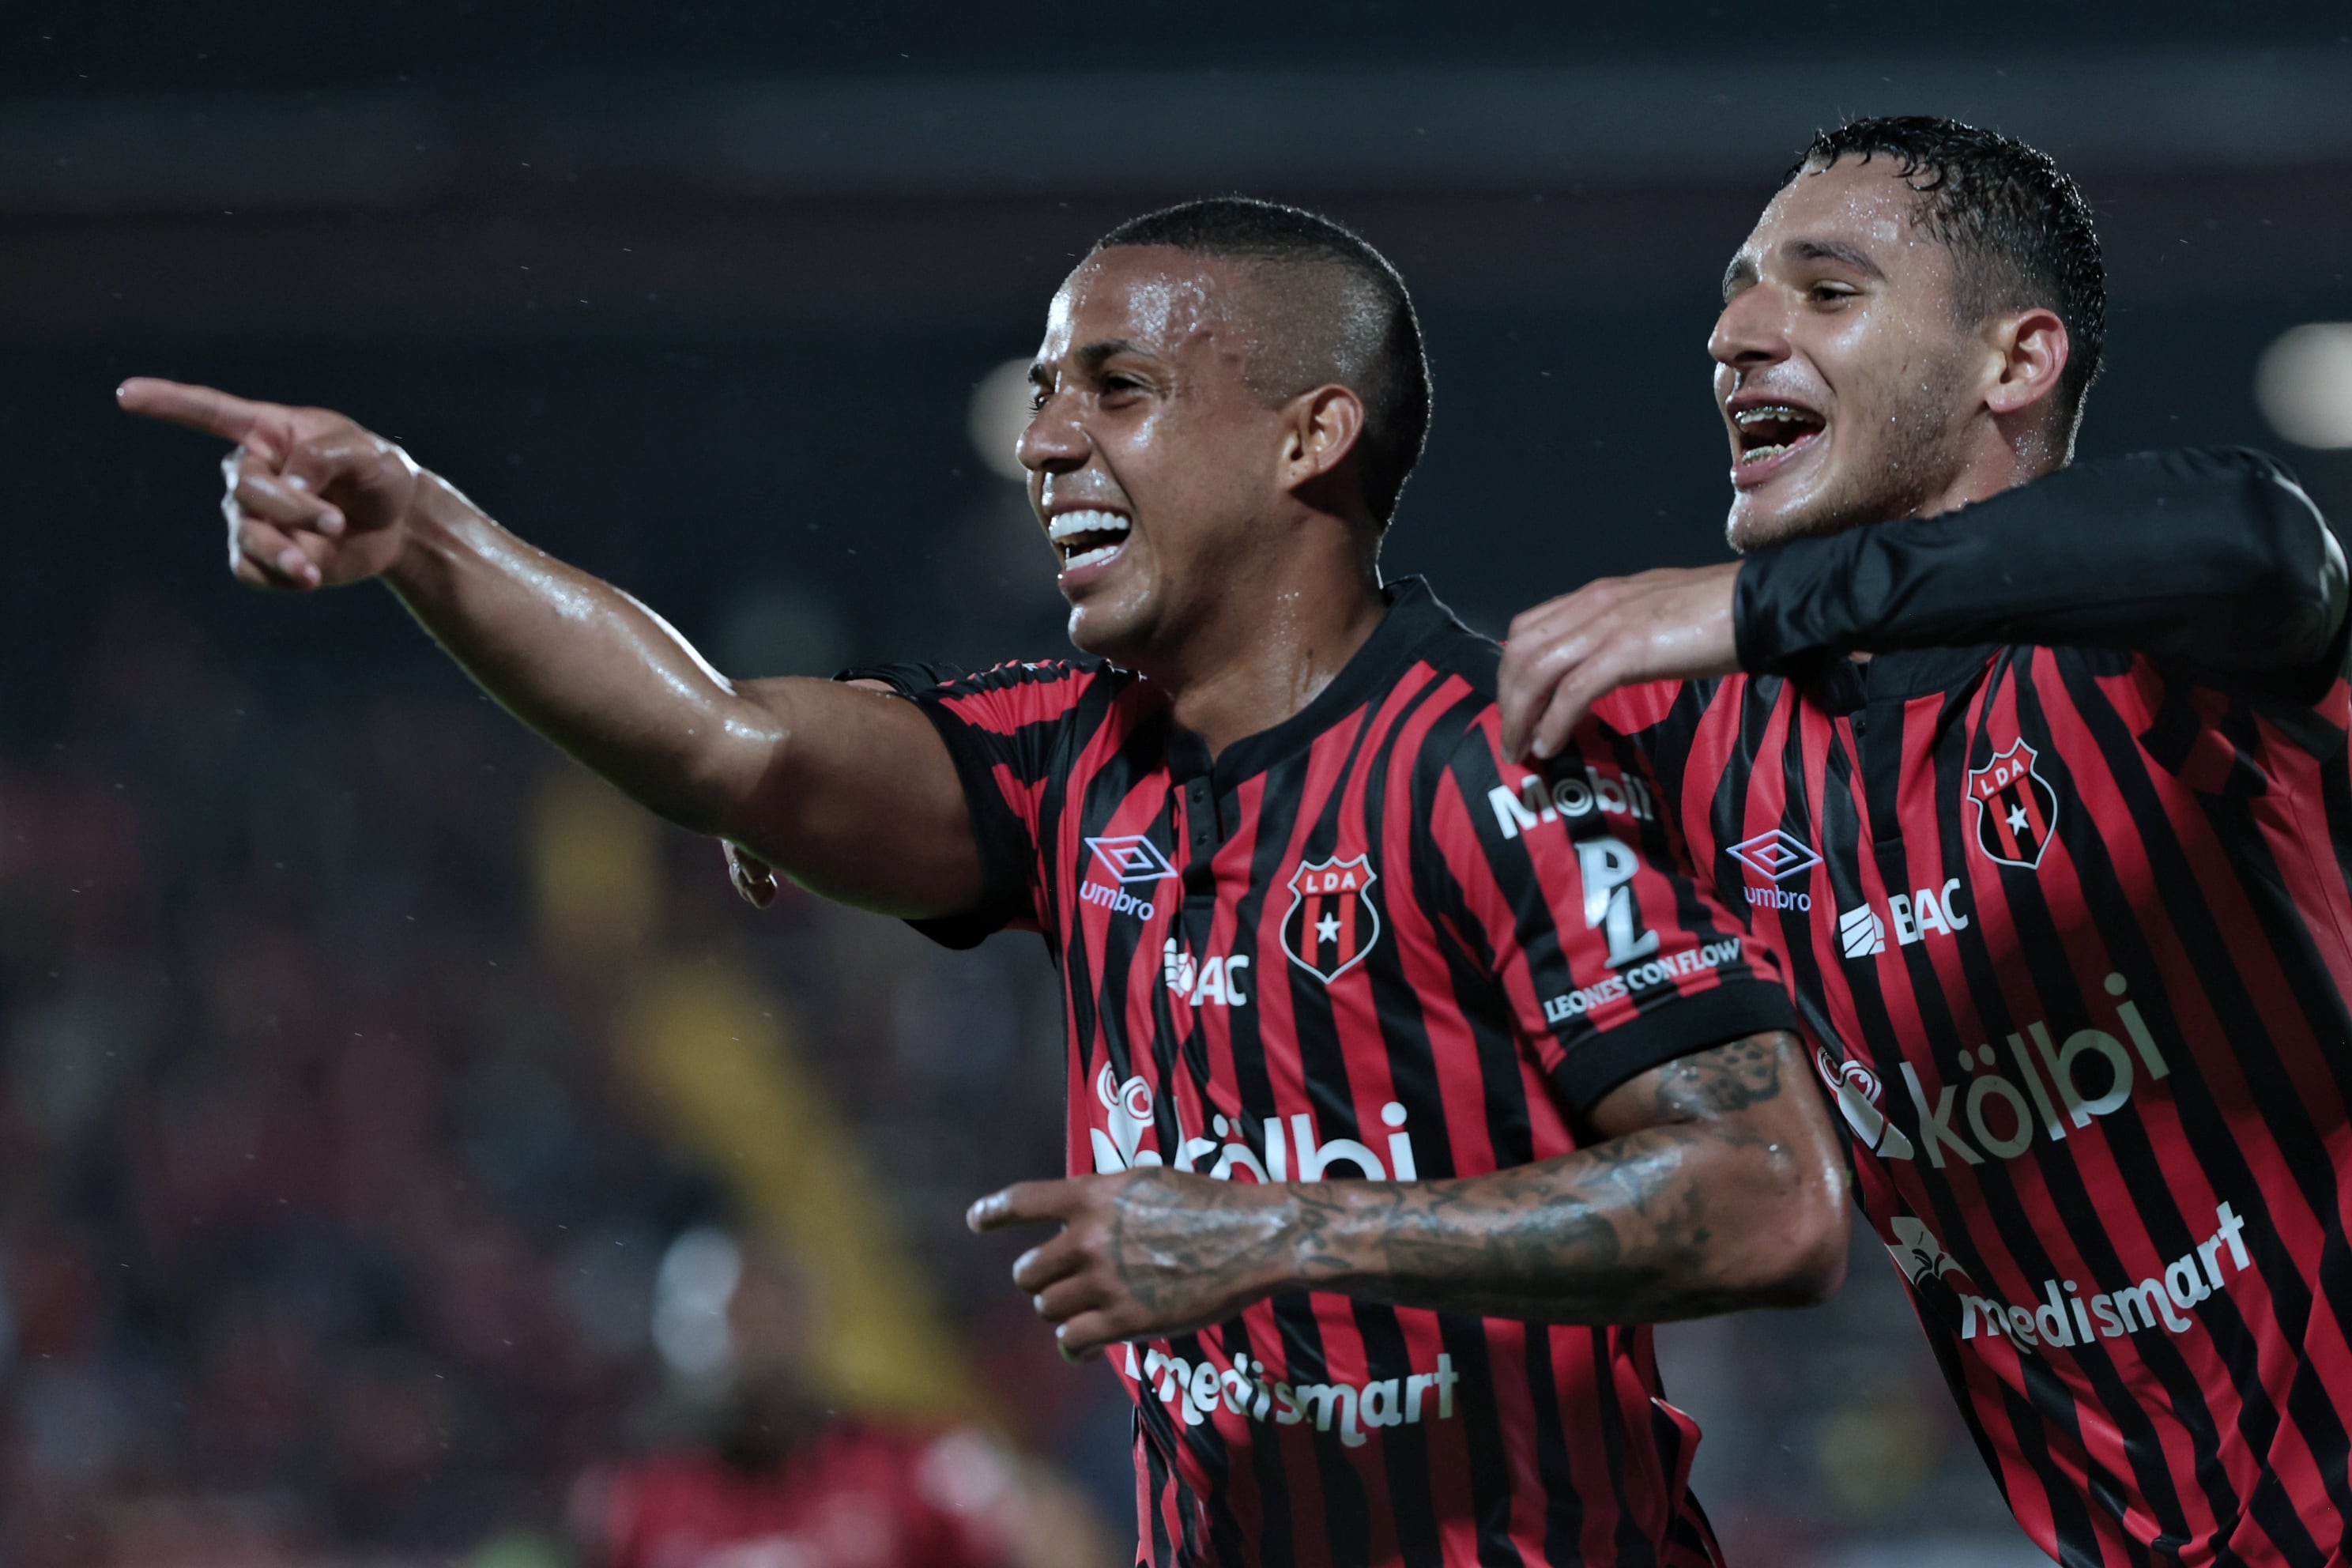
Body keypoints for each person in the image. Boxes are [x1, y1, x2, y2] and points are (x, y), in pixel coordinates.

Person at [120, 198, 1852, 1568]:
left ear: (1310, 436)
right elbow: (726, 745)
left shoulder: (1496, 763)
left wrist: (1286, 1232)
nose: (1044, 442)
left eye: (1116, 387)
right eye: (1043, 392)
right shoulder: (1067, 759)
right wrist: (422, 532)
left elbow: (1774, 1199)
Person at [1498, 116, 2352, 1566]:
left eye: (1827, 291)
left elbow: (2260, 539)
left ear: (2015, 362)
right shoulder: (1695, 750)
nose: (1736, 334)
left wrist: (1764, 604)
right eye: (1740, 294)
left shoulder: (2163, 663)